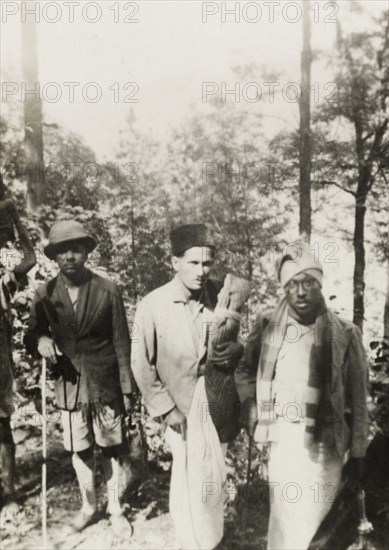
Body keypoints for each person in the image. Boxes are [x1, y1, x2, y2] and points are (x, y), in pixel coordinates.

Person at [235, 242, 369, 550]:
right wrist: (249, 404)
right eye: (292, 284)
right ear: (284, 287)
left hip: (326, 447)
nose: (301, 291)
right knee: (284, 524)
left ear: (319, 283)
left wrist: (358, 452)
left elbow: (359, 400)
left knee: (319, 527)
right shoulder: (267, 325)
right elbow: (243, 372)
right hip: (283, 442)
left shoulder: (346, 334)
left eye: (308, 282)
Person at [131, 223, 243, 550]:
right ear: (174, 261)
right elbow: (141, 363)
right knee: (186, 475)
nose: (201, 271)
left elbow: (239, 345)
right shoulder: (152, 305)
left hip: (218, 401)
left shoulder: (222, 299)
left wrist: (238, 351)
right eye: (193, 263)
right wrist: (166, 409)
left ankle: (212, 539)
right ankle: (189, 541)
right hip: (178, 406)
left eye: (207, 263)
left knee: (213, 475)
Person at [24, 220, 133, 535]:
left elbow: (122, 341)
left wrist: (126, 388)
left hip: (104, 383)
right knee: (79, 449)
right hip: (69, 384)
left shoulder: (107, 290)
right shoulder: (44, 294)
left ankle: (115, 508)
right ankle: (89, 507)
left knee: (112, 447)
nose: (69, 256)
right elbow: (32, 334)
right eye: (62, 251)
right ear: (54, 257)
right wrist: (40, 341)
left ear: (86, 252)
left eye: (76, 249)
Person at [0, 185, 36, 523]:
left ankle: (9, 491)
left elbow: (31, 257)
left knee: (1, 424)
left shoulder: (5, 279)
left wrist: (14, 217)